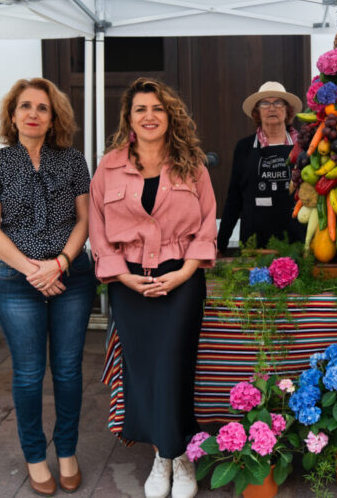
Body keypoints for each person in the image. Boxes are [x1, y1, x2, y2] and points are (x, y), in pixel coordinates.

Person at [89, 77, 216, 498]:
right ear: (128, 117)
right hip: (128, 282)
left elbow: (206, 228)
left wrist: (183, 274)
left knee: (173, 368)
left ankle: (174, 458)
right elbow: (98, 232)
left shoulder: (192, 165)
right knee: (143, 371)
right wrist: (122, 277)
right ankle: (166, 454)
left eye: (157, 109)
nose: (149, 116)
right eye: (140, 109)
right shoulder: (107, 167)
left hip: (181, 279)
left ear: (169, 116)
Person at [0, 78, 94, 496]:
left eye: (42, 108)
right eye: (25, 106)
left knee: (67, 371)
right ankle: (35, 457)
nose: (33, 114)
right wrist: (33, 270)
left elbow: (84, 220)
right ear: (12, 115)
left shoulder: (74, 160)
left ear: (53, 116)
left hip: (72, 279)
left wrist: (59, 264)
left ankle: (67, 452)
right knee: (27, 375)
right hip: (17, 283)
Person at [216, 81, 305, 253]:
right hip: (255, 241)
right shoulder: (244, 147)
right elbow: (234, 198)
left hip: (297, 239)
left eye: (278, 102)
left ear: (287, 110)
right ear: (257, 112)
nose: (272, 108)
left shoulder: (303, 145)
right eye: (265, 103)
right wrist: (221, 243)